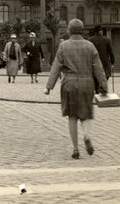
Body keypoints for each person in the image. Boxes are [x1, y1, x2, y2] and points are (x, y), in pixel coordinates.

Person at [45, 18, 108, 159]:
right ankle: (86, 135)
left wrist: (49, 86)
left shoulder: (63, 46)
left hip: (69, 83)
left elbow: (56, 66)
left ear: (69, 30)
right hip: (87, 82)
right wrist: (104, 86)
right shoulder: (90, 46)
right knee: (85, 113)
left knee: (72, 116)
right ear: (82, 30)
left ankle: (75, 149)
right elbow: (98, 69)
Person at [88, 26, 115, 93]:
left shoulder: (90, 40)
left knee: (95, 80)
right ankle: (102, 89)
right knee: (105, 77)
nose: (102, 32)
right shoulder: (107, 40)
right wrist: (112, 62)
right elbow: (111, 52)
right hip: (105, 64)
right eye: (101, 30)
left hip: (94, 64)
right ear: (100, 31)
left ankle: (97, 90)